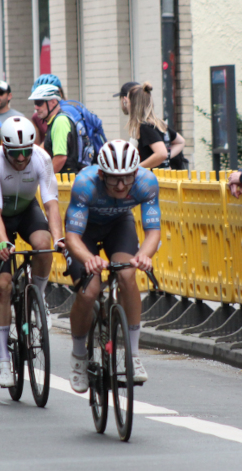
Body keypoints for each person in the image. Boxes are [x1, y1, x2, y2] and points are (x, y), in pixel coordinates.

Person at [64, 140, 161, 392]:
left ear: (136, 172)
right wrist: (89, 259)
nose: (120, 186)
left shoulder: (146, 182)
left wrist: (144, 256)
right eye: (113, 179)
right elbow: (72, 238)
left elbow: (153, 232)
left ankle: (134, 355)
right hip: (84, 231)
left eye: (127, 178)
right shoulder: (85, 184)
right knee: (90, 291)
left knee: (128, 275)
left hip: (118, 225)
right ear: (101, 174)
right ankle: (78, 356)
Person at [0, 116, 65, 387]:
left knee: (43, 245)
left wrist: (59, 238)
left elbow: (51, 203)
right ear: (4, 148)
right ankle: (4, 358)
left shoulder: (41, 158)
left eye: (26, 152)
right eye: (15, 153)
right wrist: (3, 242)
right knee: (3, 285)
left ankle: (38, 298)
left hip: (27, 209)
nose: (21, 159)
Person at [126, 82, 186, 169]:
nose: (126, 105)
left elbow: (161, 153)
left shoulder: (145, 127)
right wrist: (166, 159)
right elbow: (181, 142)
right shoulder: (160, 124)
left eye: (126, 102)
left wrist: (136, 168)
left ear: (133, 104)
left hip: (152, 178)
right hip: (164, 176)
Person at [28, 84, 82, 174]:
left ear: (53, 102)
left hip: (67, 182)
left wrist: (44, 179)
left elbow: (60, 157)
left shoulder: (60, 121)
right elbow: (41, 150)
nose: (36, 107)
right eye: (35, 103)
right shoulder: (54, 122)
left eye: (39, 102)